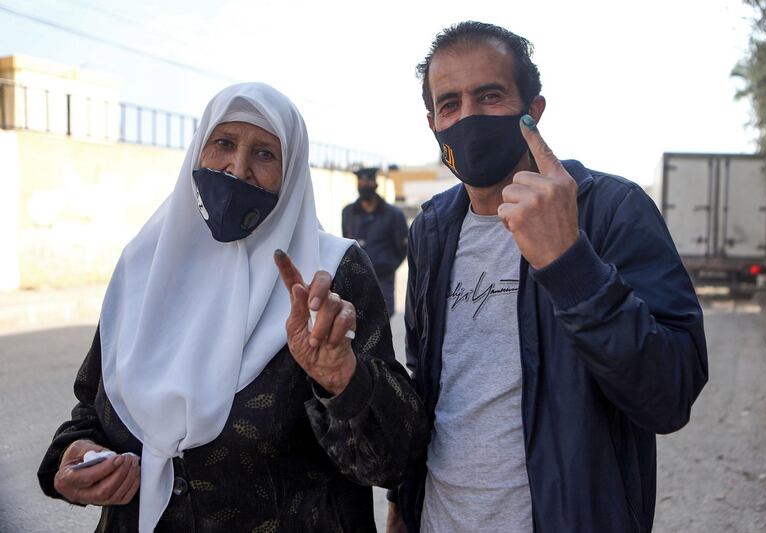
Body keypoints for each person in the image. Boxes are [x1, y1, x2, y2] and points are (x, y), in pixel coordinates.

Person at [37, 82, 427, 533]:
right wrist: (75, 455)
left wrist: (343, 380)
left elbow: (394, 459)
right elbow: (92, 406)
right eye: (223, 143)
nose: (237, 169)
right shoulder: (144, 265)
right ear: (197, 151)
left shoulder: (331, 272)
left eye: (264, 154)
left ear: (293, 170)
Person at [388, 21, 708, 533]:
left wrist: (570, 263)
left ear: (532, 111)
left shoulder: (610, 210)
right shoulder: (431, 228)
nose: (468, 117)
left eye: (489, 95)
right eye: (450, 104)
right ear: (432, 122)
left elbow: (669, 395)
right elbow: (429, 383)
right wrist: (404, 504)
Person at [342, 167, 408, 316]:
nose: (363, 186)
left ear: (375, 185)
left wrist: (388, 265)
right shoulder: (348, 213)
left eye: (367, 182)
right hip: (356, 279)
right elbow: (345, 243)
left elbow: (404, 247)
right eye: (360, 183)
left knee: (383, 317)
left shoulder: (393, 214)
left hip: (383, 279)